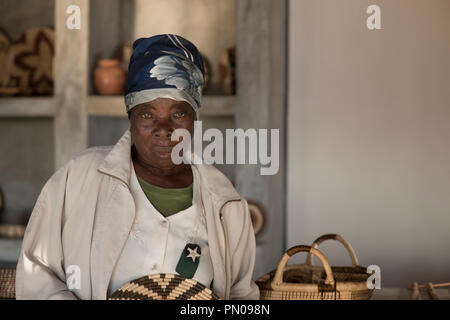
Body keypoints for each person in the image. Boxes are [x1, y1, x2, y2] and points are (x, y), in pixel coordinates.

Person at [15, 34, 259, 300]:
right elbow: (37, 273)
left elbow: (241, 296)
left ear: (194, 118)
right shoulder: (79, 178)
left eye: (178, 114)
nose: (163, 130)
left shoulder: (225, 202)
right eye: (147, 114)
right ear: (130, 116)